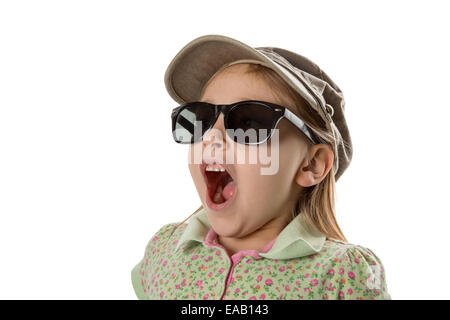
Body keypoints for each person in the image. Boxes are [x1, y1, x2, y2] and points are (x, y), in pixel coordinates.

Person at [131, 34, 391, 300]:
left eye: (249, 125)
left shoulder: (341, 272)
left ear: (311, 165)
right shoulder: (164, 250)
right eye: (201, 119)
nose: (211, 136)